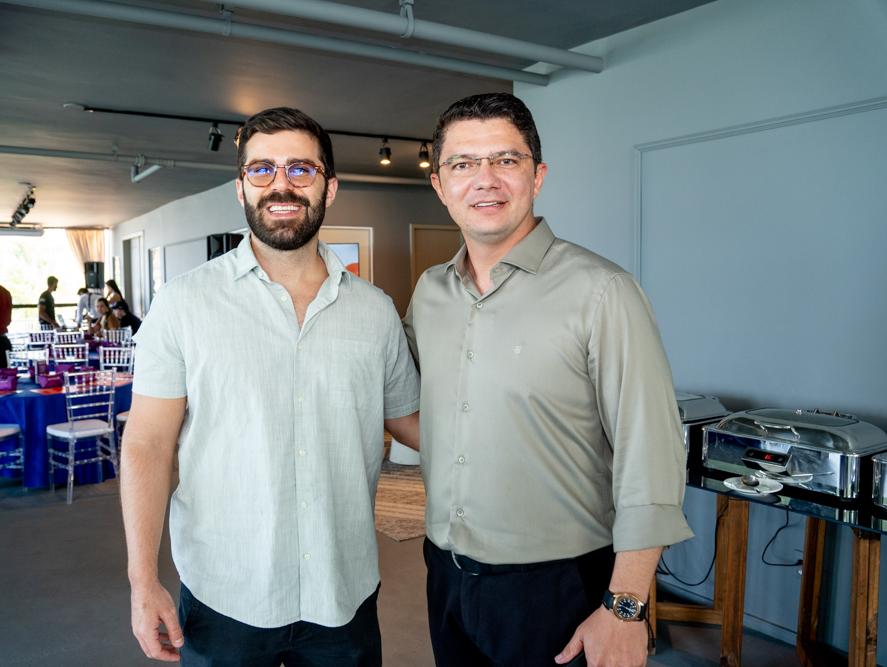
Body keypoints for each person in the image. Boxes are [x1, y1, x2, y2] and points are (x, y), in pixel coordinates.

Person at [121, 106, 420, 666]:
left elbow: (408, 420)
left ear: (329, 188)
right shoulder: (184, 303)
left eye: (300, 170)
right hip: (224, 594)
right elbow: (147, 444)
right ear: (241, 188)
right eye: (262, 170)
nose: (280, 184)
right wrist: (143, 580)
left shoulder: (375, 311)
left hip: (342, 593)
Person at [402, 93, 693, 667]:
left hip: (557, 589)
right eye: (463, 164)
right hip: (447, 578)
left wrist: (626, 606)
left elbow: (652, 457)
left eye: (505, 160)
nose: (484, 180)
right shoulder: (429, 293)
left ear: (536, 175)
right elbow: (426, 409)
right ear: (440, 185)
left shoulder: (604, 292)